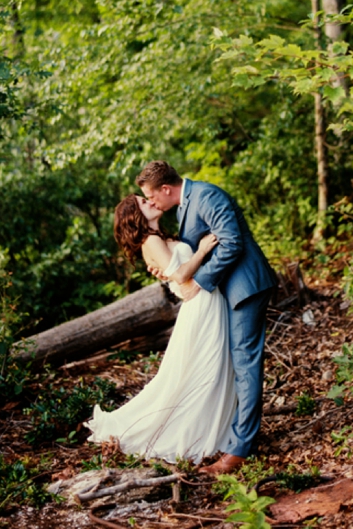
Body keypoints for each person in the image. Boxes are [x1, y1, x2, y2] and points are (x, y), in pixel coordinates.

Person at [136, 160, 277, 476]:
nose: (152, 202)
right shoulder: (186, 205)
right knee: (234, 364)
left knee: (245, 364)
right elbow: (193, 252)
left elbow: (232, 243)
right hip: (228, 292)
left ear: (166, 189)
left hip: (245, 287)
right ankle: (236, 434)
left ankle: (239, 451)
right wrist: (169, 270)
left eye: (151, 196)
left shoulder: (207, 196)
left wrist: (199, 282)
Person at [84, 193, 237, 464]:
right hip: (200, 303)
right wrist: (201, 250)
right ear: (136, 215)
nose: (151, 202)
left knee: (205, 369)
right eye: (144, 202)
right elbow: (180, 276)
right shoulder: (151, 241)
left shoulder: (159, 239)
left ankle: (213, 431)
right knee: (204, 370)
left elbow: (174, 275)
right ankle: (198, 436)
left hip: (205, 300)